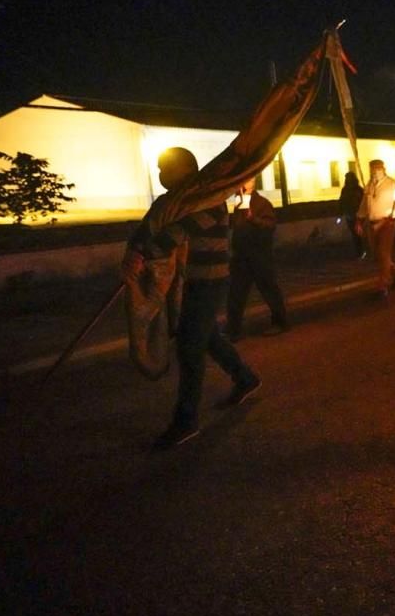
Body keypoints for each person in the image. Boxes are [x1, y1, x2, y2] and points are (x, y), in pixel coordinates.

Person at [122, 147, 261, 449]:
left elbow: (178, 232)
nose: (160, 175)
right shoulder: (171, 203)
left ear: (185, 170)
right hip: (185, 284)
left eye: (165, 168)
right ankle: (246, 378)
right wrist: (135, 249)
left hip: (208, 282)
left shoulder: (208, 200)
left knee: (189, 347)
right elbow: (151, 226)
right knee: (207, 336)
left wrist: (145, 253)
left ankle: (186, 421)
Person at [225, 178, 289, 340]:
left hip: (259, 255)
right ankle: (233, 329)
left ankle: (280, 322)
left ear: (253, 183)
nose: (243, 183)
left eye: (248, 180)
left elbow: (270, 225)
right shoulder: (238, 201)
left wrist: (254, 219)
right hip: (241, 256)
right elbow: (235, 225)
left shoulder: (261, 203)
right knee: (236, 293)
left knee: (269, 290)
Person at [356, 159, 395, 298]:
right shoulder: (369, 185)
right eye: (373, 169)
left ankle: (383, 285)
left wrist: (394, 214)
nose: (375, 171)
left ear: (383, 169)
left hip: (387, 223)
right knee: (377, 254)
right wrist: (359, 220)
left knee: (383, 252)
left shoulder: (392, 185)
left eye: (378, 168)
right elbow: (364, 205)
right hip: (372, 224)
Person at [338, 171, 365, 257]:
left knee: (358, 234)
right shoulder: (346, 189)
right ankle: (359, 251)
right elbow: (342, 201)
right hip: (350, 215)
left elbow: (362, 202)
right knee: (355, 234)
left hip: (357, 215)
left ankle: (361, 251)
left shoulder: (357, 189)